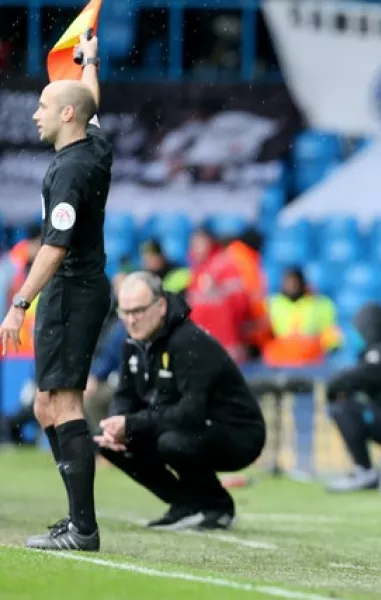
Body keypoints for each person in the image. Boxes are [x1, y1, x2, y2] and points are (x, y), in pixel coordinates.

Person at [0, 33, 112, 551]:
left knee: (63, 403)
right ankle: (76, 519)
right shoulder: (93, 143)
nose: (34, 115)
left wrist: (18, 304)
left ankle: (83, 528)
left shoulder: (71, 170)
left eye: (43, 106)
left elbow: (54, 247)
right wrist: (88, 61)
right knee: (46, 406)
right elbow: (90, 100)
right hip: (79, 292)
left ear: (66, 114)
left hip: (70, 293)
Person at [94, 272, 266, 529]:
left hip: (238, 433)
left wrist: (131, 424)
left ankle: (218, 506)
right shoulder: (132, 341)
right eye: (125, 312)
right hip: (187, 425)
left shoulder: (189, 341)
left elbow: (191, 411)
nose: (131, 320)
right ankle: (187, 504)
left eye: (139, 310)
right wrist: (116, 427)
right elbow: (126, 396)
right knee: (112, 445)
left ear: (161, 306)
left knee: (172, 441)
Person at [325, 302, 381, 492]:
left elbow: (347, 381)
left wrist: (333, 391)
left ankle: (364, 471)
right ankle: (364, 471)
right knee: (349, 403)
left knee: (344, 408)